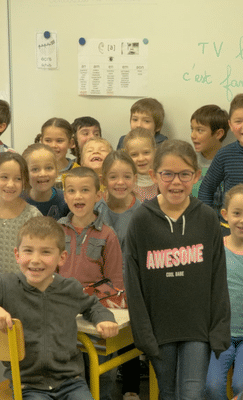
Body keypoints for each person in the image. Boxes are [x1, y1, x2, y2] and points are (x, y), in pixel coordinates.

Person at [0, 216, 119, 399]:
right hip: (27, 385)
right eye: (28, 251)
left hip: (71, 382)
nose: (35, 260)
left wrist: (105, 318)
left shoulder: (70, 289)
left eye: (46, 252)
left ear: (62, 258)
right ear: (17, 254)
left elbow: (92, 305)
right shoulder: (5, 286)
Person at [124, 140, 231, 399]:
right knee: (169, 393)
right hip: (159, 330)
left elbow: (218, 277)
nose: (176, 182)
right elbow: (133, 283)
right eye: (167, 174)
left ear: (196, 176)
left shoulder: (207, 218)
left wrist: (218, 330)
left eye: (184, 174)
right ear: (153, 176)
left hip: (198, 327)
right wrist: (143, 334)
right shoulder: (141, 220)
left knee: (192, 394)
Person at [58, 166, 124, 399]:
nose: (78, 196)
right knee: (70, 372)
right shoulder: (57, 231)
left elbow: (116, 283)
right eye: (72, 191)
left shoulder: (107, 235)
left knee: (103, 371)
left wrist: (93, 301)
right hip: (63, 315)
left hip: (96, 314)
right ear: (65, 196)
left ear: (98, 196)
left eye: (85, 190)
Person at [205, 184, 243, 399]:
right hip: (222, 334)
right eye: (237, 213)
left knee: (242, 384)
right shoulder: (216, 248)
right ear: (225, 215)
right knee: (212, 385)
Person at [94, 150, 142, 400]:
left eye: (126, 176)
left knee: (129, 339)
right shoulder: (95, 209)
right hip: (101, 288)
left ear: (135, 178)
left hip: (132, 286)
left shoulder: (143, 213)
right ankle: (100, 387)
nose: (120, 182)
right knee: (103, 339)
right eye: (113, 177)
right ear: (103, 179)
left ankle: (131, 388)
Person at [198, 93, 243, 211]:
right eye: (238, 121)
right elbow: (205, 190)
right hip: (228, 225)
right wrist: (211, 222)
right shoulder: (224, 155)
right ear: (230, 124)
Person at [0, 152, 41, 275]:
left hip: (22, 286)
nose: (10, 184)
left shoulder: (33, 216)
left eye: (18, 179)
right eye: (4, 177)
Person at [190, 105, 229, 214]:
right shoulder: (189, 163)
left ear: (218, 134)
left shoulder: (228, 165)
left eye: (200, 130)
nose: (193, 135)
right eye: (192, 129)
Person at [22, 143, 69, 219]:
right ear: (25, 174)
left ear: (57, 171)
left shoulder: (66, 201)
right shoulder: (18, 201)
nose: (42, 174)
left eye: (48, 168)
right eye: (35, 169)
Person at [34, 118, 78, 189]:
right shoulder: (33, 171)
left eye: (59, 141)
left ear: (70, 143)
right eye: (48, 140)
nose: (53, 145)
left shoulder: (78, 171)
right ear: (41, 141)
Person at [123, 128, 159, 202]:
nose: (141, 159)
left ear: (155, 153)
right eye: (134, 154)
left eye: (146, 153)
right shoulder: (125, 186)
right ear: (127, 157)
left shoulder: (162, 181)